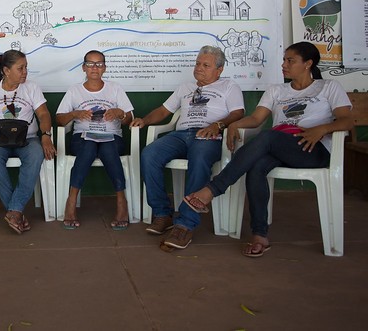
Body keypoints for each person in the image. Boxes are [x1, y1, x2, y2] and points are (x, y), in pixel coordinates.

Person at [183, 41, 353, 257]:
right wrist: (233, 124)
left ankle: (213, 189)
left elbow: (347, 121)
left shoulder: (328, 87)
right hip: (280, 146)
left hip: (312, 149)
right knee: (257, 166)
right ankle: (260, 235)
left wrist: (322, 129)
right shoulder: (276, 90)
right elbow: (256, 119)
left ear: (308, 63)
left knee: (269, 136)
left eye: (290, 61)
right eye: (284, 60)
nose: (284, 64)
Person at [131, 45, 245, 250]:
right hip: (181, 134)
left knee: (199, 158)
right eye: (198, 63)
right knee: (149, 154)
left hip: (208, 134)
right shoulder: (185, 88)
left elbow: (238, 113)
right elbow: (163, 111)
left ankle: (185, 224)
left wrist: (217, 125)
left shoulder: (229, 86)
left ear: (219, 70)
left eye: (206, 65)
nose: (199, 68)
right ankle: (162, 214)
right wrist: (144, 120)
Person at [0, 50, 55, 234]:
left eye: (26, 67)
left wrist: (46, 134)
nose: (25, 72)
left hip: (27, 139)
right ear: (6, 71)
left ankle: (13, 211)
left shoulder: (31, 87)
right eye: (21, 68)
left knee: (36, 154)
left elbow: (43, 114)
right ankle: (15, 211)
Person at [55, 50, 134, 230]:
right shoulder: (75, 90)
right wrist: (75, 113)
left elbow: (129, 118)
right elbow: (59, 119)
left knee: (106, 148)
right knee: (89, 146)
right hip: (82, 138)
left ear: (104, 68)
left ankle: (121, 201)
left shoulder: (115, 88)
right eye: (90, 64)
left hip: (112, 138)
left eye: (99, 64)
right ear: (84, 67)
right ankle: (72, 200)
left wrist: (119, 113)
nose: (94, 68)